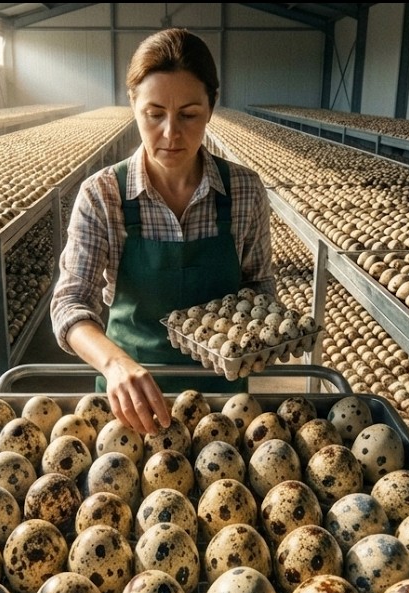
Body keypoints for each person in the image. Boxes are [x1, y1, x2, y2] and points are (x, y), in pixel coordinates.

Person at [50, 27, 274, 436]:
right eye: (155, 114)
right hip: (128, 405)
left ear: (211, 107)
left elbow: (258, 285)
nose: (171, 133)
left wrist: (260, 337)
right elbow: (70, 304)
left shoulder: (244, 191)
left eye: (189, 114)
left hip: (223, 406)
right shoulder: (102, 195)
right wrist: (114, 364)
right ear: (133, 104)